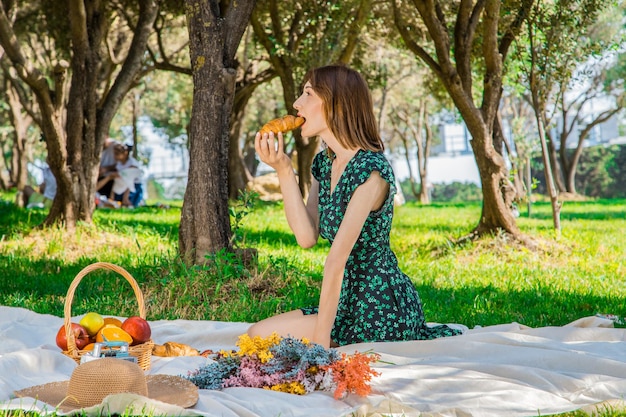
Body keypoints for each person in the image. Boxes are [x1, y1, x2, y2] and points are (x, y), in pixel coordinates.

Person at [248, 65, 462, 348]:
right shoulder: (324, 164)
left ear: (337, 103)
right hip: (347, 298)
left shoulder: (371, 171)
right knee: (256, 335)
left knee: (268, 340)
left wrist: (320, 345)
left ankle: (336, 338)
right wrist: (284, 170)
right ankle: (335, 334)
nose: (297, 104)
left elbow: (336, 261)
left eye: (308, 94)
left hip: (380, 303)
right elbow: (306, 237)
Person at [98, 143, 144, 208]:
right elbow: (114, 170)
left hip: (133, 187)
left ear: (125, 153)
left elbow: (130, 181)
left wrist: (125, 197)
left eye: (117, 154)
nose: (115, 157)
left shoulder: (132, 164)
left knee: (128, 203)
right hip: (121, 186)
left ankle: (127, 201)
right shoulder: (119, 163)